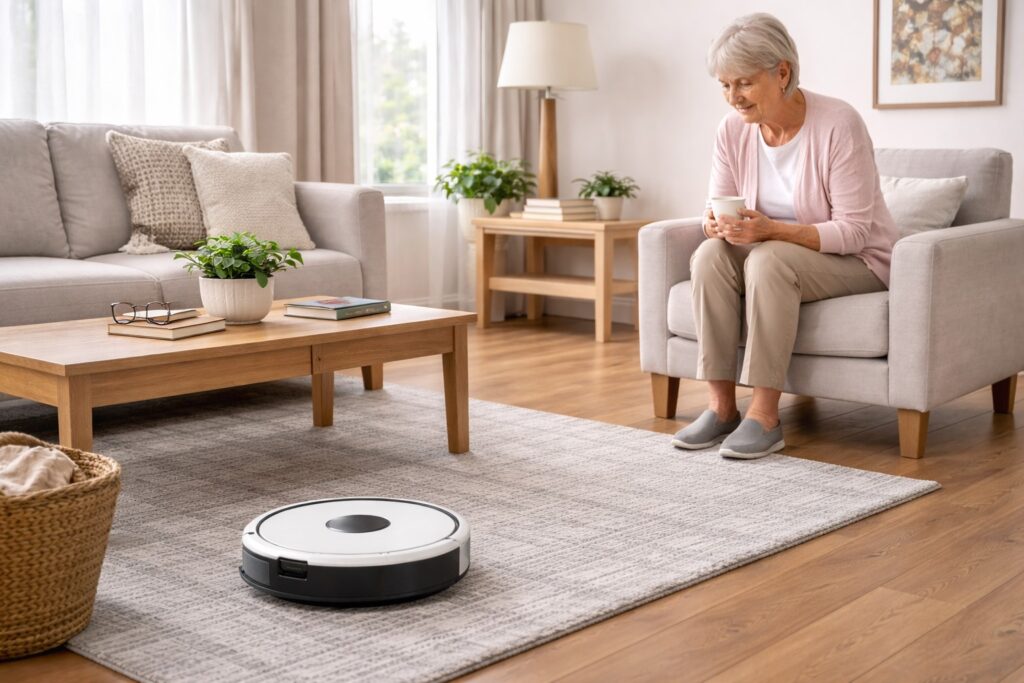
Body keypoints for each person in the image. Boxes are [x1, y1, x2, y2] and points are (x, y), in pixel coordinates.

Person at [671, 13, 898, 459]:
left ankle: (765, 416)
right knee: (708, 256)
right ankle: (721, 409)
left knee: (768, 259)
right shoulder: (732, 130)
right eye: (724, 85)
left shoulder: (838, 124)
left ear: (782, 73)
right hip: (770, 252)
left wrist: (771, 230)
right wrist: (713, 225)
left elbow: (855, 231)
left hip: (857, 261)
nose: (733, 98)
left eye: (744, 83)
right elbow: (715, 204)